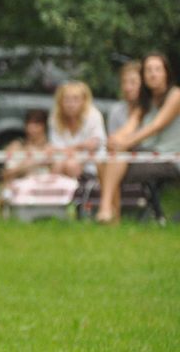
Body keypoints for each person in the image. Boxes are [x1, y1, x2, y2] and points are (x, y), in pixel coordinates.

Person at [95, 51, 180, 223]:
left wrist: (125, 143)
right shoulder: (144, 103)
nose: (153, 74)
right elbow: (129, 127)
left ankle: (107, 211)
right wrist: (114, 140)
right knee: (104, 160)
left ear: (166, 73)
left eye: (157, 69)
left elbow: (156, 126)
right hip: (146, 156)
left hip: (169, 159)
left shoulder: (175, 95)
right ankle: (112, 216)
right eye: (148, 70)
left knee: (116, 158)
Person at [47, 81, 106, 178]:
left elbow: (94, 143)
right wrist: (75, 149)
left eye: (76, 99)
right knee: (59, 165)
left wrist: (71, 149)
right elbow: (54, 147)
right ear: (60, 101)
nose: (71, 104)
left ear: (84, 101)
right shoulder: (55, 117)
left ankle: (76, 192)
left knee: (71, 165)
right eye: (67, 99)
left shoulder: (93, 115)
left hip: (91, 165)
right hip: (64, 160)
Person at [1, 109, 52, 182]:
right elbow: (6, 175)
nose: (32, 129)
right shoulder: (16, 146)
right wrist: (30, 164)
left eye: (36, 125)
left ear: (44, 127)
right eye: (29, 124)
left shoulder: (51, 149)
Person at [107, 61, 143, 135]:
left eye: (133, 82)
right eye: (124, 82)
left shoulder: (153, 110)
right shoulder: (116, 111)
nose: (127, 88)